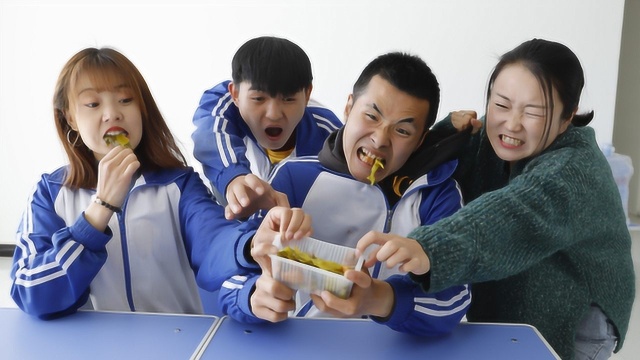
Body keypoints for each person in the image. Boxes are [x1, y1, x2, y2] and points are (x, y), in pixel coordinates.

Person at [356, 39, 636, 360]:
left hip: (578, 314)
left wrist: (429, 248)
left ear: (567, 116)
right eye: (501, 105)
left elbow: (512, 216)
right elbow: (423, 158)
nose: (512, 124)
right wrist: (448, 133)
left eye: (533, 112)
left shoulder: (574, 169)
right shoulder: (485, 142)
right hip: (511, 297)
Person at [9, 47, 312, 319]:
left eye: (126, 100)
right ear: (70, 119)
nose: (112, 113)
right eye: (92, 104)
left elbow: (213, 244)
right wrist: (98, 211)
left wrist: (250, 244)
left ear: (142, 110)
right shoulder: (50, 193)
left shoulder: (179, 184)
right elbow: (30, 291)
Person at [218, 52, 472, 336]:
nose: (379, 140)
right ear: (349, 108)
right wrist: (253, 296)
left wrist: (378, 298)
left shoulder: (438, 195)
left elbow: (456, 300)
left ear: (420, 141)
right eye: (371, 116)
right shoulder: (294, 178)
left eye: (402, 130)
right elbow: (231, 282)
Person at [192, 36, 343, 220]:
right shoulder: (224, 105)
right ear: (235, 94)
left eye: (288, 99)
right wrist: (234, 178)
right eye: (259, 99)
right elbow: (209, 133)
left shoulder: (327, 132)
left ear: (307, 94)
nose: (273, 114)